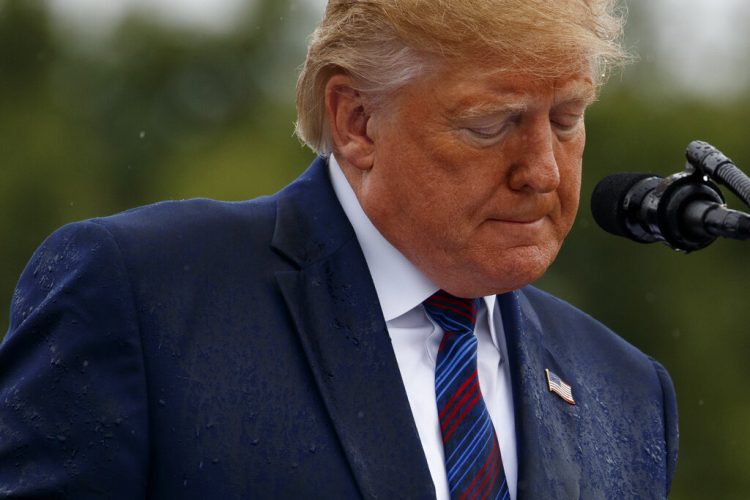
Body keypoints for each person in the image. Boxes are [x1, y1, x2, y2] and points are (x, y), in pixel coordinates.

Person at [0, 0, 678, 498]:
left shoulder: (626, 389)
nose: (544, 171)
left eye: (566, 120)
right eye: (491, 123)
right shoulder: (140, 297)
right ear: (357, 121)